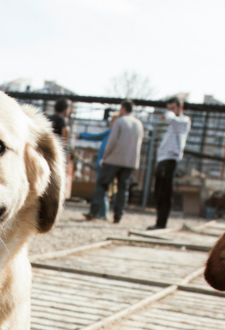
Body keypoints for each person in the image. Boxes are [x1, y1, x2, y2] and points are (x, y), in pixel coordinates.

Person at [82, 101, 144, 223]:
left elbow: (112, 141)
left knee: (102, 185)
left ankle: (94, 211)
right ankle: (118, 216)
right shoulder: (139, 124)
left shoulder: (120, 121)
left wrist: (104, 157)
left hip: (113, 159)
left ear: (123, 108)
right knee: (122, 189)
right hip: (129, 161)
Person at [149, 96, 191, 230]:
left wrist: (169, 115)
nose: (170, 111)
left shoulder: (183, 121)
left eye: (173, 108)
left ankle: (162, 223)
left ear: (180, 107)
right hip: (162, 159)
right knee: (158, 191)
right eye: (169, 109)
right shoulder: (170, 126)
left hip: (171, 159)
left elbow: (173, 121)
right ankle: (158, 221)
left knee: (165, 191)